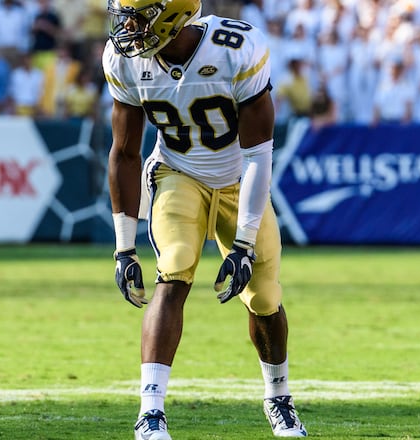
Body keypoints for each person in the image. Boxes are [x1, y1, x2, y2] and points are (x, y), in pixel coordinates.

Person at [102, 1, 308, 438]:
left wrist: (244, 244)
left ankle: (279, 399)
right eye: (126, 15)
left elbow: (258, 155)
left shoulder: (235, 48)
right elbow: (123, 152)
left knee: (264, 296)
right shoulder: (123, 58)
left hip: (240, 177)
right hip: (178, 173)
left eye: (138, 16)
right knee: (173, 268)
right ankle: (151, 411)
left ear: (171, 16)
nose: (128, 26)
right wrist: (123, 248)